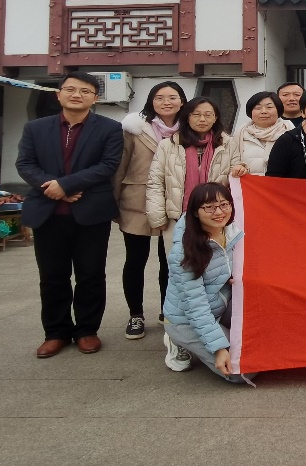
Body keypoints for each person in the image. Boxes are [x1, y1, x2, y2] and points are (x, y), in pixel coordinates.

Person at [16, 72, 123, 359]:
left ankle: (87, 330)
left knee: (91, 274)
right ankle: (56, 332)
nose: (77, 95)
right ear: (59, 94)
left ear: (95, 98)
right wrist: (54, 188)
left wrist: (66, 185)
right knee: (52, 276)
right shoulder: (35, 128)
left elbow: (108, 165)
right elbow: (25, 164)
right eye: (71, 89)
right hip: (48, 213)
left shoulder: (110, 128)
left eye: (85, 91)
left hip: (92, 214)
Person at [114, 80, 186, 340]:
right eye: (159, 97)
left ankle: (167, 311)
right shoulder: (134, 129)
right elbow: (120, 166)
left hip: (175, 202)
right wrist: (114, 201)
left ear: (182, 101)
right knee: (136, 260)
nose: (166, 102)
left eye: (172, 97)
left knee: (170, 261)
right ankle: (136, 314)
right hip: (137, 201)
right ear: (151, 102)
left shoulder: (189, 129)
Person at [162, 182, 247, 383]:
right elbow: (195, 307)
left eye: (224, 205)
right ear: (195, 212)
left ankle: (215, 338)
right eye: (209, 207)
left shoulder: (233, 233)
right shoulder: (184, 253)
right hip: (187, 319)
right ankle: (178, 340)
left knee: (261, 350)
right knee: (242, 373)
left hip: (220, 306)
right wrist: (218, 348)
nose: (219, 212)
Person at [146, 97, 232, 257]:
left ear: (215, 118)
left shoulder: (228, 145)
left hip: (216, 218)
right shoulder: (168, 145)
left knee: (214, 264)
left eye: (208, 115)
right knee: (178, 264)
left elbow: (235, 179)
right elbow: (155, 182)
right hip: (177, 218)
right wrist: (157, 216)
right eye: (196, 114)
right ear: (187, 117)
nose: (202, 119)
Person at [227, 92, 294, 179]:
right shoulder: (241, 133)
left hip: (281, 185)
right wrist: (239, 168)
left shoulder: (290, 132)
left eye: (269, 107)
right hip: (251, 186)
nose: (264, 111)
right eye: (258, 108)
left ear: (278, 110)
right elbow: (232, 162)